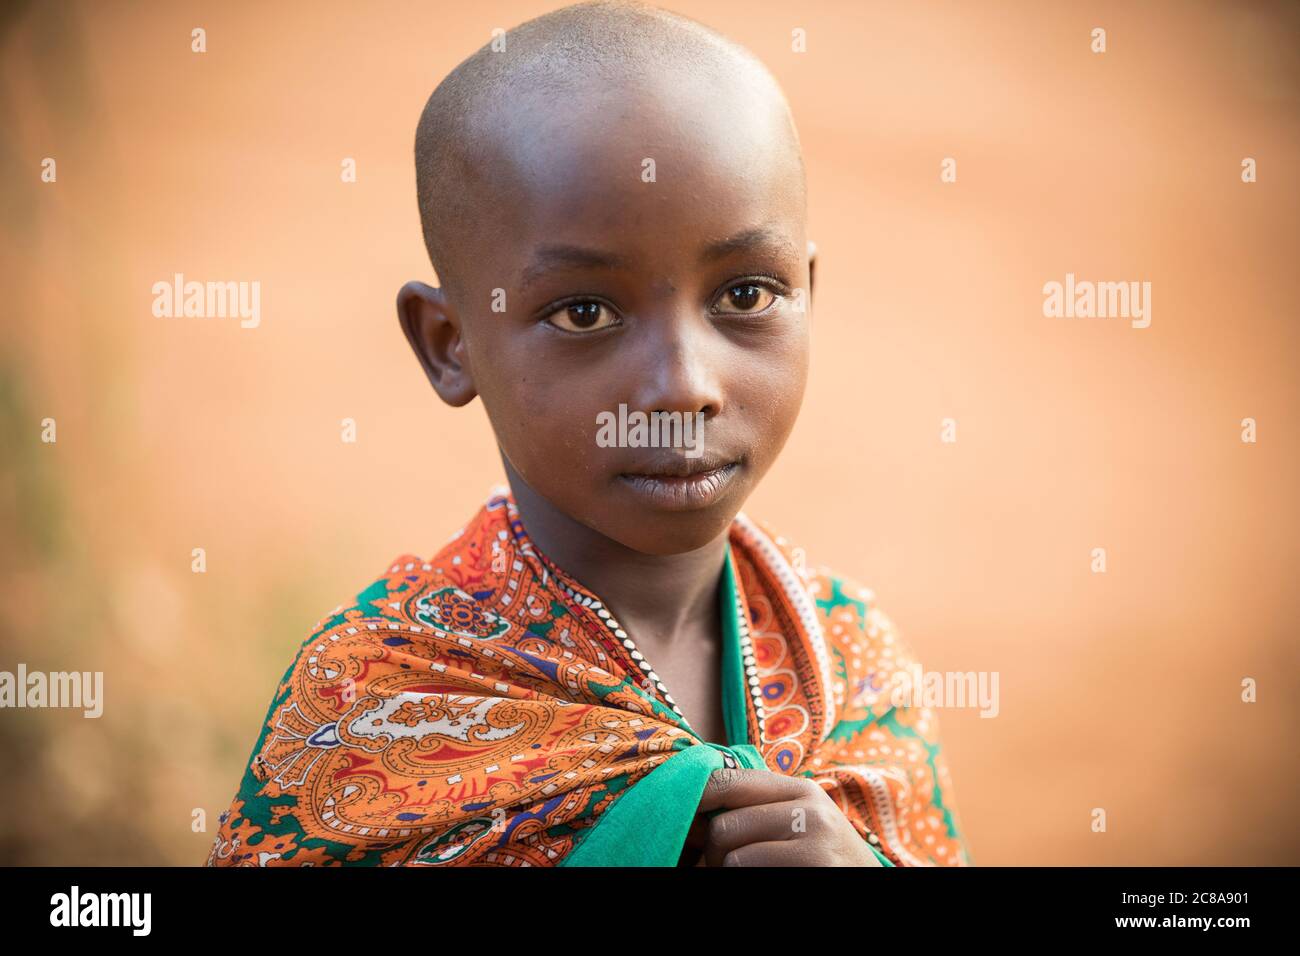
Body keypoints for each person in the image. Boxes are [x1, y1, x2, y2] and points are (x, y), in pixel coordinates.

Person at [207, 0, 970, 867]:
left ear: (808, 291)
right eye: (584, 311)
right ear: (450, 345)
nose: (685, 384)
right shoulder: (371, 711)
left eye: (747, 294)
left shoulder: (853, 658)